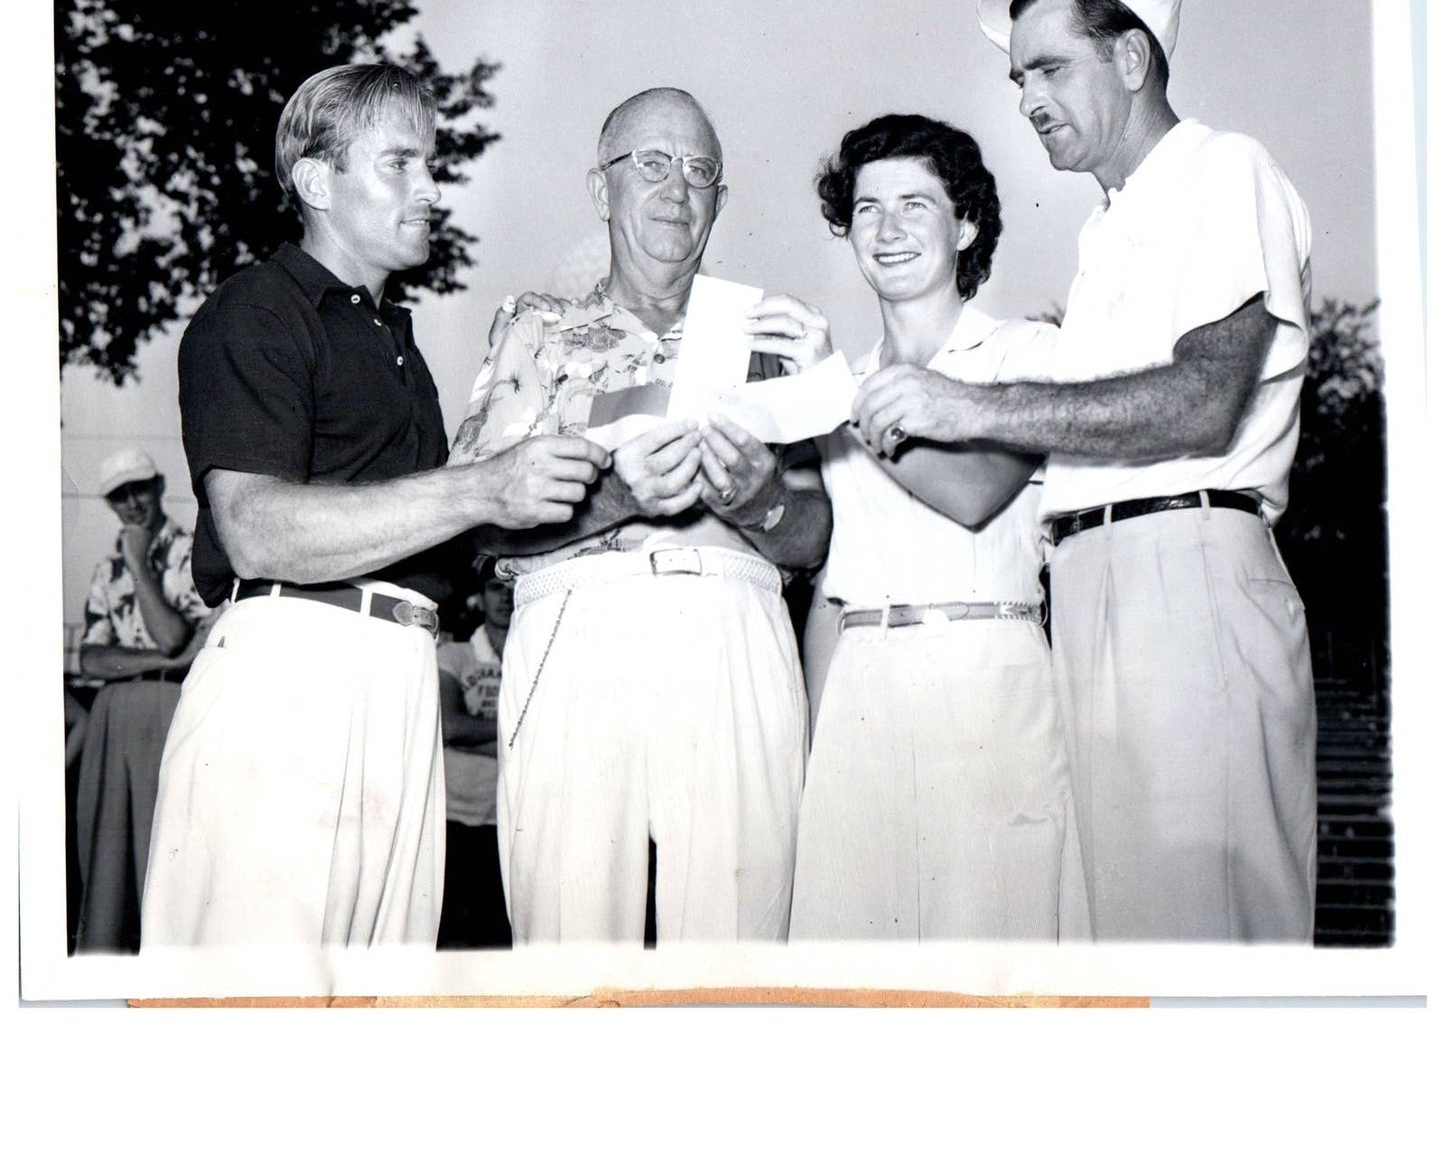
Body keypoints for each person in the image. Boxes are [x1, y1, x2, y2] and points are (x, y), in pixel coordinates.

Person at [852, 0, 1316, 941]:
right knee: (1130, 936)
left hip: (1186, 572)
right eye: (1017, 75)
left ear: (1133, 60)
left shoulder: (1219, 170)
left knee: (1207, 930)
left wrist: (971, 405)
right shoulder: (1106, 230)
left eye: (1049, 66)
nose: (1026, 96)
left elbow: (1202, 400)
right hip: (1097, 585)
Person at [141, 64, 608, 949]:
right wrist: (479, 483)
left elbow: (451, 528)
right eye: (401, 163)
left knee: (371, 1020)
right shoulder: (257, 312)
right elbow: (254, 527)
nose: (431, 189)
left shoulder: (395, 341)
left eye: (431, 165)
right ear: (317, 180)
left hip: (401, 679)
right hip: (292, 673)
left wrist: (610, 484)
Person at [449, 86, 831, 944]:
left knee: (736, 946)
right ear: (601, 189)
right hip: (578, 625)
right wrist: (615, 497)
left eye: (701, 172)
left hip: (734, 624)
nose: (677, 189)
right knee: (570, 943)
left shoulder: (768, 338)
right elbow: (476, 524)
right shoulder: (536, 327)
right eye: (651, 164)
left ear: (720, 201)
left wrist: (758, 500)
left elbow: (812, 536)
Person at [746, 115, 1086, 941]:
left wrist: (836, 396)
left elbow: (974, 492)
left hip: (988, 679)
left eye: (914, 206)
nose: (887, 230)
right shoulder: (840, 383)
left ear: (964, 223)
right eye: (867, 209)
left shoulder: (1022, 353)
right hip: (863, 688)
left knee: (993, 958)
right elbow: (833, 594)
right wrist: (811, 757)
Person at [73, 448, 211, 952]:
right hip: (114, 716)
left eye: (139, 489)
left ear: (157, 486)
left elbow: (172, 635)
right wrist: (164, 658)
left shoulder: (193, 553)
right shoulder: (105, 570)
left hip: (170, 710)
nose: (131, 504)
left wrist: (137, 563)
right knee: (106, 855)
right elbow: (90, 659)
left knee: (166, 847)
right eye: (118, 496)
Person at [434, 562, 513, 949]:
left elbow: (465, 732)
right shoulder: (454, 654)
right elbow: (451, 727)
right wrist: (520, 735)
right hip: (454, 816)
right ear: (480, 597)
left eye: (514, 586)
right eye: (496, 587)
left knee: (496, 938)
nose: (507, 595)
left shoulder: (533, 655)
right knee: (447, 937)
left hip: (510, 816)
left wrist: (472, 736)